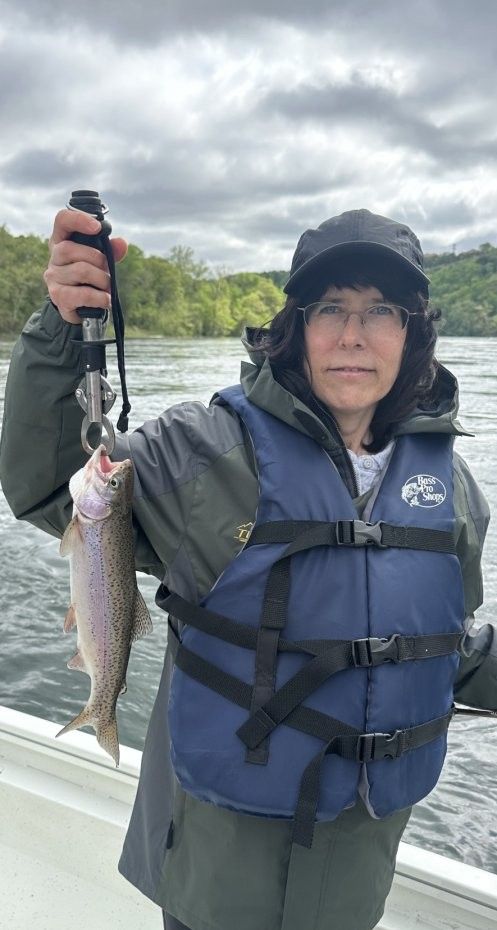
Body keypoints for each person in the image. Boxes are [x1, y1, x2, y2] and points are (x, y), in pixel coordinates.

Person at [1, 206, 496, 930]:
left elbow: (439, 644)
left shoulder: (452, 489)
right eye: (330, 307)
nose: (352, 334)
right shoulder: (199, 448)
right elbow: (49, 487)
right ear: (293, 326)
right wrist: (59, 327)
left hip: (356, 872)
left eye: (380, 310)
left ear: (412, 331)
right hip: (217, 859)